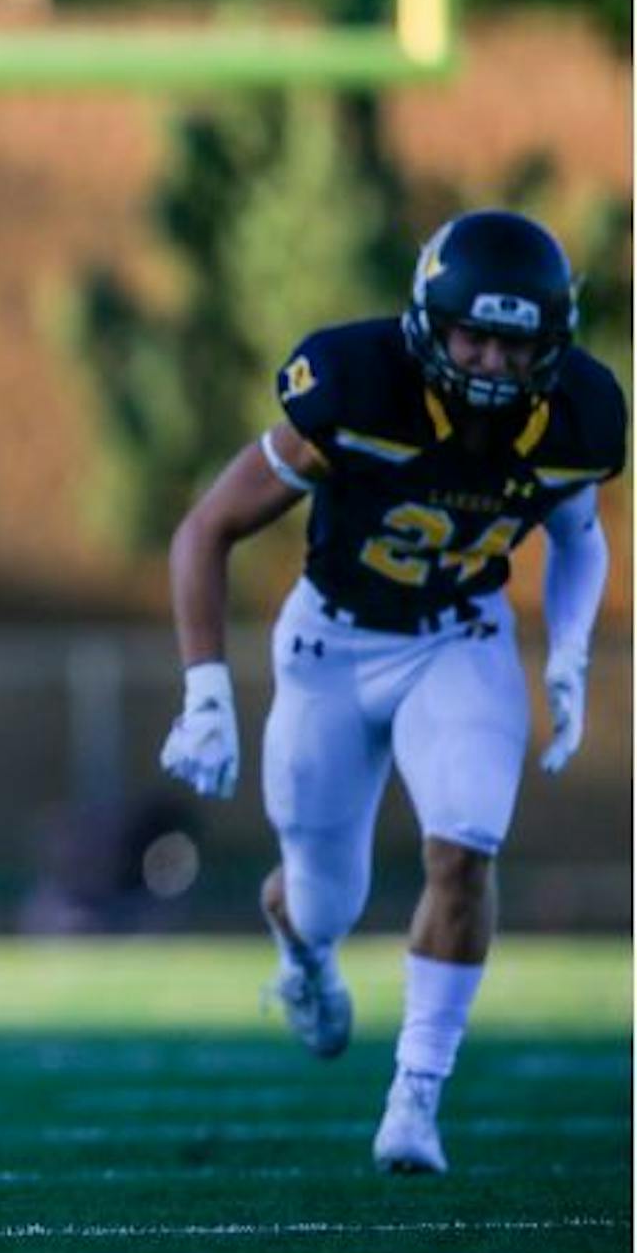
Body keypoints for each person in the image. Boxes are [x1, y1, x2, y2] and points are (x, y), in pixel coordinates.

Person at [159, 209, 624, 1175]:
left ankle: (415, 1094)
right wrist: (206, 690)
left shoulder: (577, 412)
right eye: (474, 337)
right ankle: (303, 951)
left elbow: (578, 534)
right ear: (431, 326)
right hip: (329, 647)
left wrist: (569, 651)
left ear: (551, 342)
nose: (494, 362)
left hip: (461, 637)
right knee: (327, 898)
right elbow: (206, 529)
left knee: (465, 847)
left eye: (515, 342)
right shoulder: (357, 388)